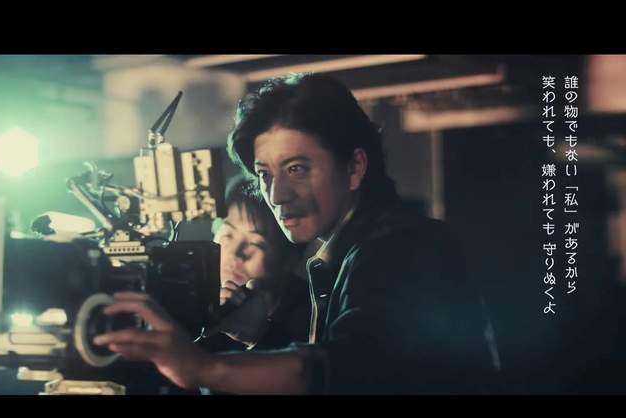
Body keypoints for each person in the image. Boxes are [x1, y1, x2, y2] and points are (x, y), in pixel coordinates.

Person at [93, 73, 500, 394]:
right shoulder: (347, 253)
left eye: (297, 169)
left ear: (354, 167)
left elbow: (347, 368)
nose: (276, 195)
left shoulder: (402, 247)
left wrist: (204, 368)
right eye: (265, 174)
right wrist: (259, 335)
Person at [202, 176, 311, 352]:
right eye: (228, 235)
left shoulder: (311, 314)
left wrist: (258, 335)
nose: (235, 252)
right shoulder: (200, 301)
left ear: (286, 259)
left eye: (255, 243)